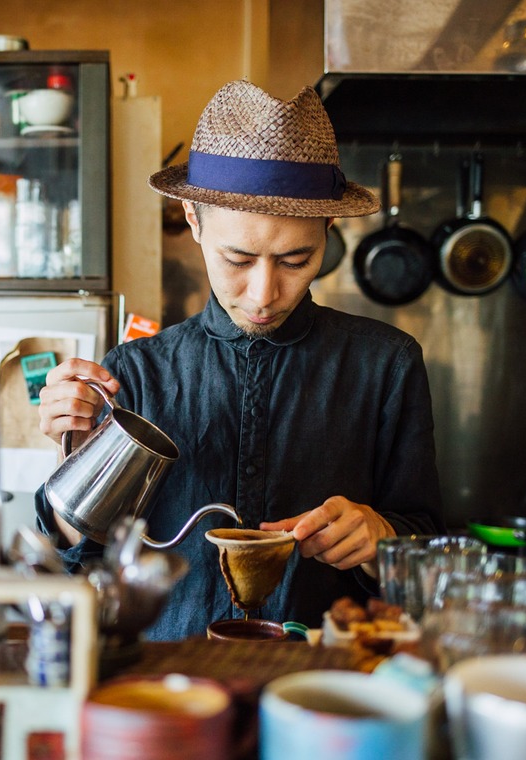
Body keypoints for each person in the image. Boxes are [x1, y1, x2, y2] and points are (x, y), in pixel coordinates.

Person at [34, 80, 443, 640]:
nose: (263, 293)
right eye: (238, 259)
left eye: (296, 260)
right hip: (169, 682)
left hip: (323, 681)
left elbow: (425, 548)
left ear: (329, 230)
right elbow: (81, 562)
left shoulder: (385, 365)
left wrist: (381, 541)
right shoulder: (136, 374)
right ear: (194, 220)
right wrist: (73, 455)